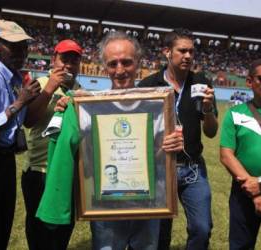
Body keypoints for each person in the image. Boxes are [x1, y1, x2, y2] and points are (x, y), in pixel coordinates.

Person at [55, 31, 183, 250]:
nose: (120, 70)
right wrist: (65, 113)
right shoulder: (87, 107)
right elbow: (79, 150)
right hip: (106, 204)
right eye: (113, 63)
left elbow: (164, 155)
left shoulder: (159, 104)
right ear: (104, 66)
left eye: (127, 62)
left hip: (148, 203)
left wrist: (175, 145)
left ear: (139, 64)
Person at [138, 28, 218, 250]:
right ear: (167, 52)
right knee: (160, 233)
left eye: (192, 52)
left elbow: (211, 132)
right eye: (182, 51)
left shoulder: (201, 82)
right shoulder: (148, 85)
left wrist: (209, 110)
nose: (188, 56)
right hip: (160, 169)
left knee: (202, 228)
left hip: (193, 169)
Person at [0, 19, 41, 250]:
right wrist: (20, 102)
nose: (21, 52)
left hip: (6, 161)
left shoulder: (17, 79)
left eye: (24, 46)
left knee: (4, 224)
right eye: (14, 46)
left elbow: (24, 121)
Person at [21, 39, 82, 250]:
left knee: (63, 225)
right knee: (37, 227)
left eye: (74, 61)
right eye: (64, 59)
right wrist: (50, 88)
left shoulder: (81, 92)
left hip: (67, 171)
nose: (68, 65)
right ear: (54, 59)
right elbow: (29, 120)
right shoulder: (40, 84)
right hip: (39, 170)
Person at [220, 57, 261, 249]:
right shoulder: (235, 113)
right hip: (244, 193)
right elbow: (226, 155)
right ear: (250, 82)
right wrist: (253, 190)